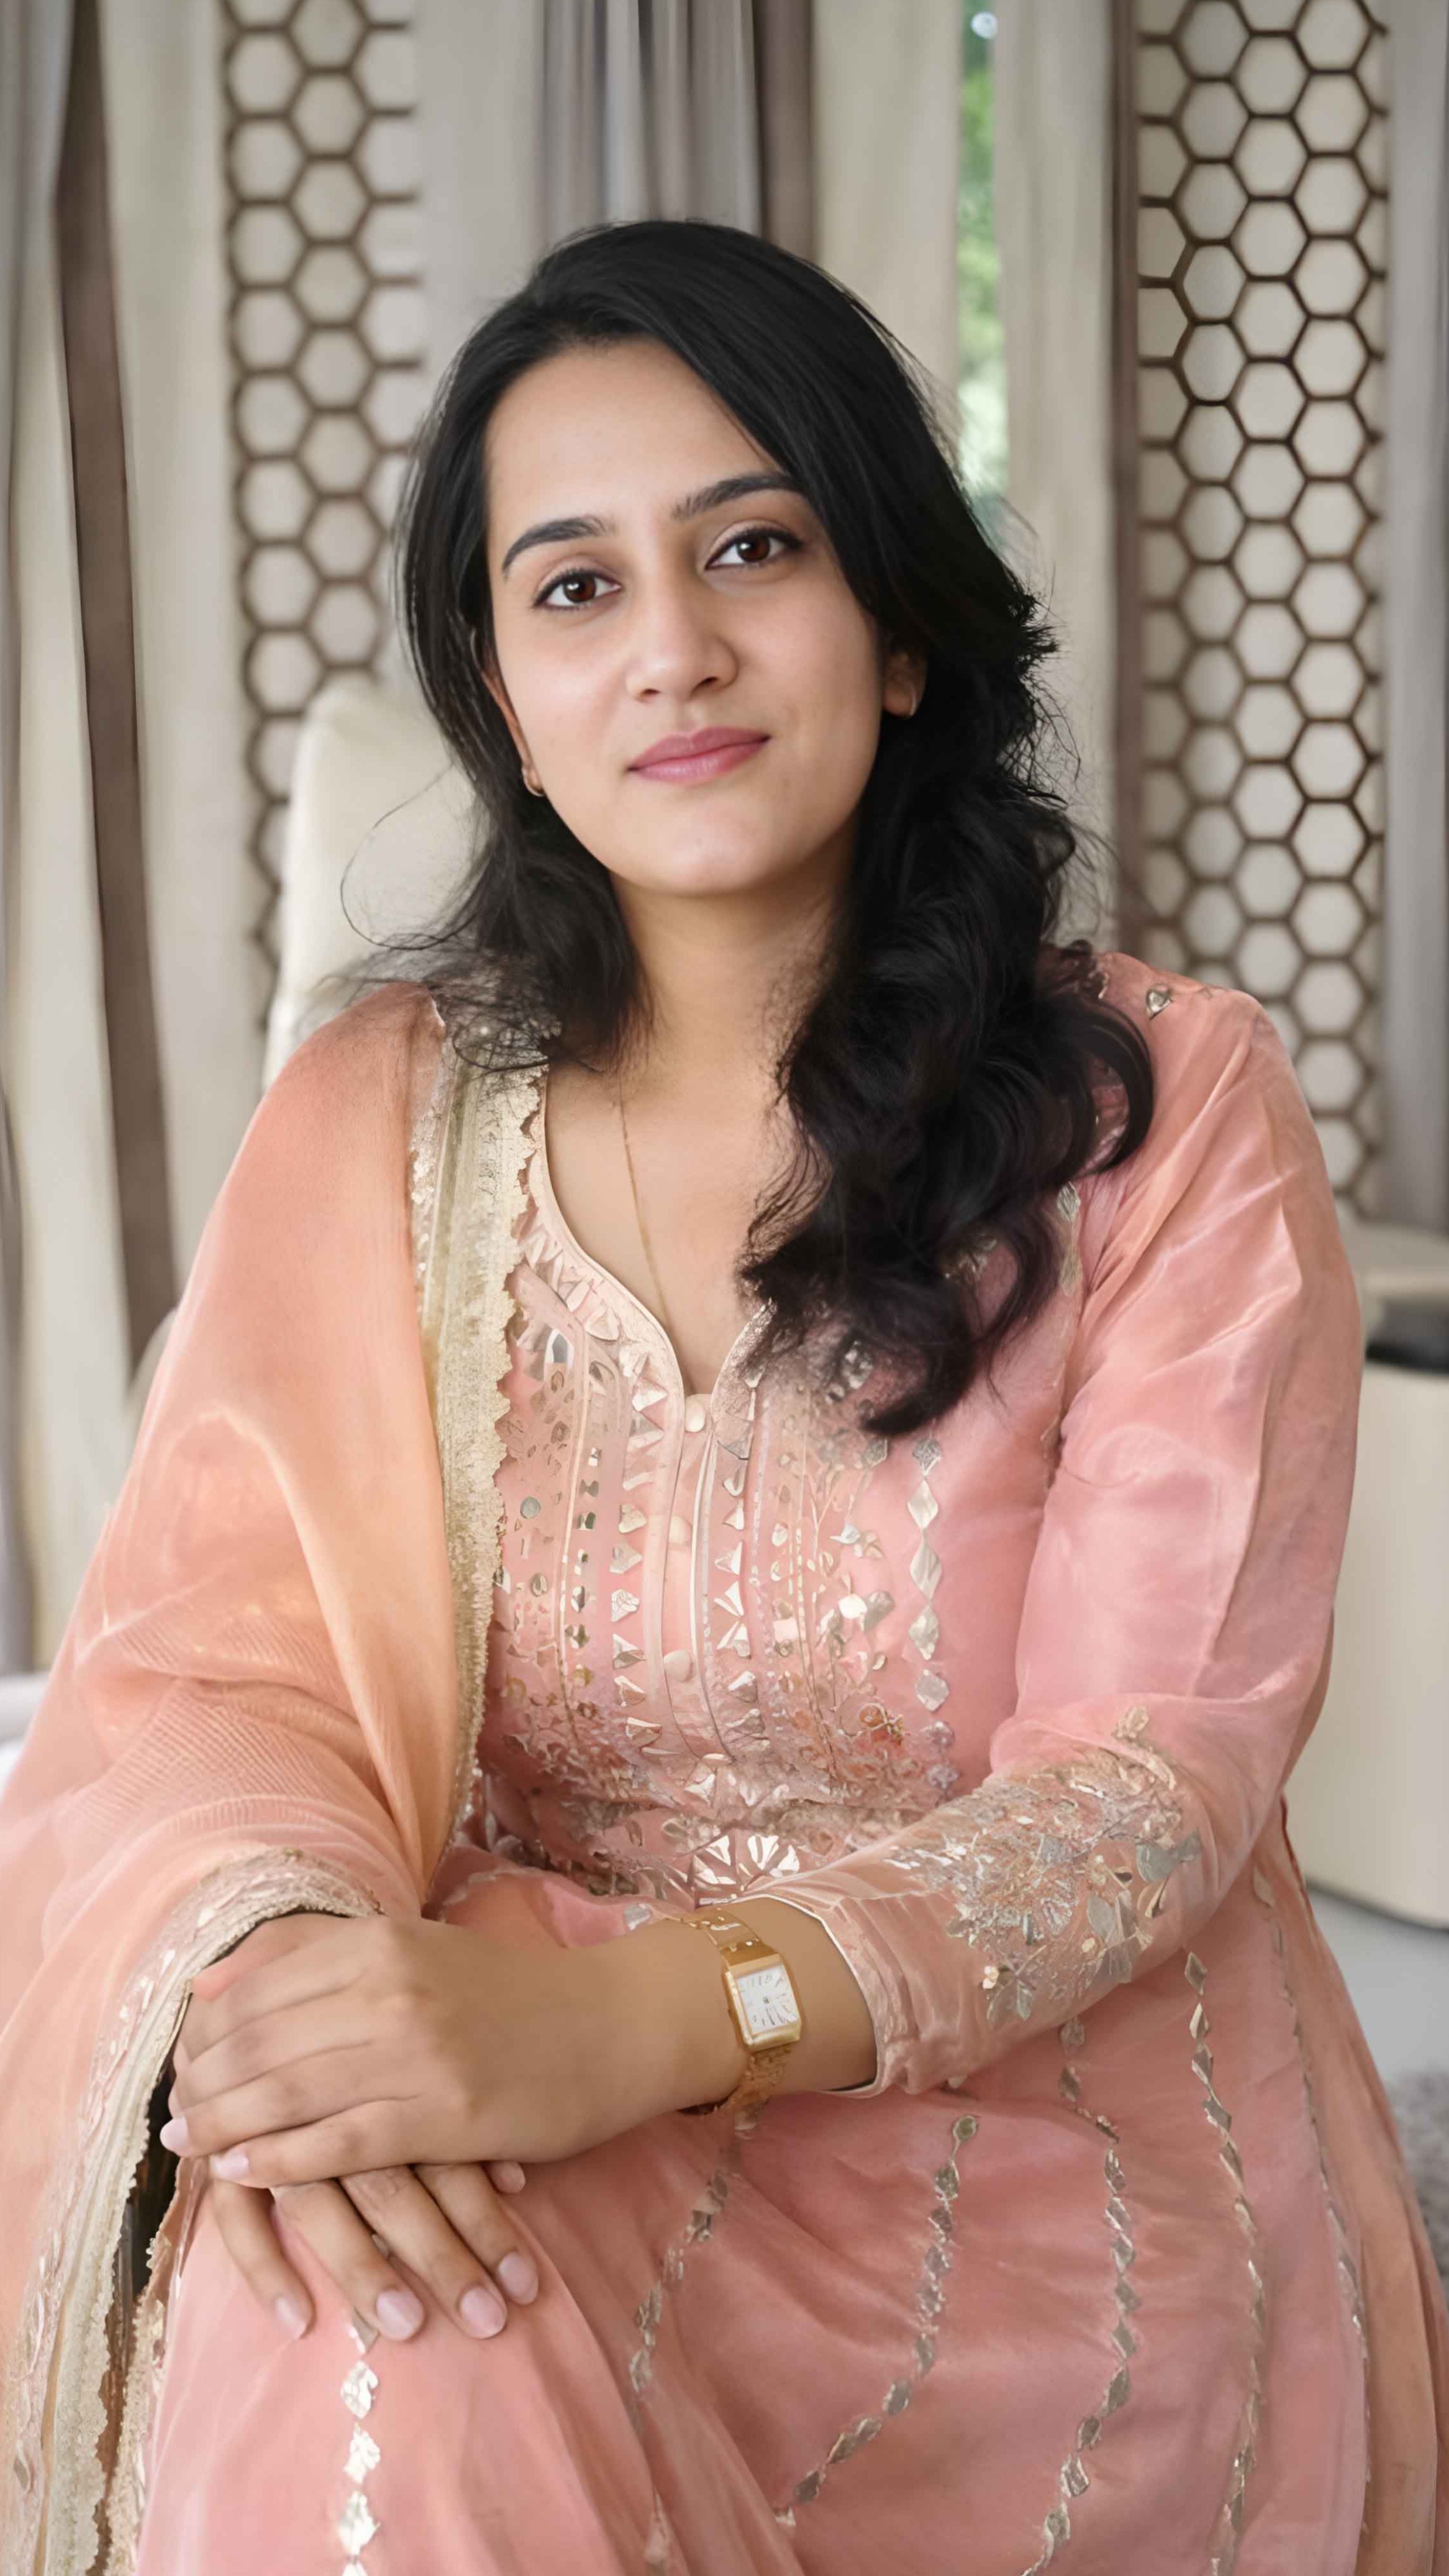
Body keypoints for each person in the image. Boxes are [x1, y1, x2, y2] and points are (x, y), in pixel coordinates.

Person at [0, 215, 1444, 2576]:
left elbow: (1143, 1792)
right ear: (505, 696)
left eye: (751, 548)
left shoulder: (1160, 1111)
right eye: (573, 587)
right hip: (504, 2076)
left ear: (895, 625)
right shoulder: (376, 1124)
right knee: (356, 2303)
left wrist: (627, 2027)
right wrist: (292, 2001)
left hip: (1036, 2152)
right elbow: (202, 1686)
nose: (669, 645)